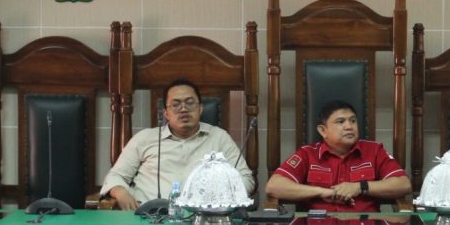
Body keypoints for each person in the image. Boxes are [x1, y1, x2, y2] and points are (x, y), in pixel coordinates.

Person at [100, 78, 255, 210]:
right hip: (148, 217)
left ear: (200, 109)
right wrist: (121, 192)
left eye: (190, 103)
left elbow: (246, 179)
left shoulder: (219, 138)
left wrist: (218, 196)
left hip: (202, 220)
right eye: (175, 104)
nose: (183, 109)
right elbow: (115, 176)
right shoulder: (144, 138)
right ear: (166, 113)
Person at [265, 100, 412, 213]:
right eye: (340, 122)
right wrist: (321, 192)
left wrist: (361, 187)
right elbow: (274, 186)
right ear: (323, 131)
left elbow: (403, 184)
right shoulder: (307, 154)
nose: (349, 126)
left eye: (353, 121)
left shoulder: (374, 151)